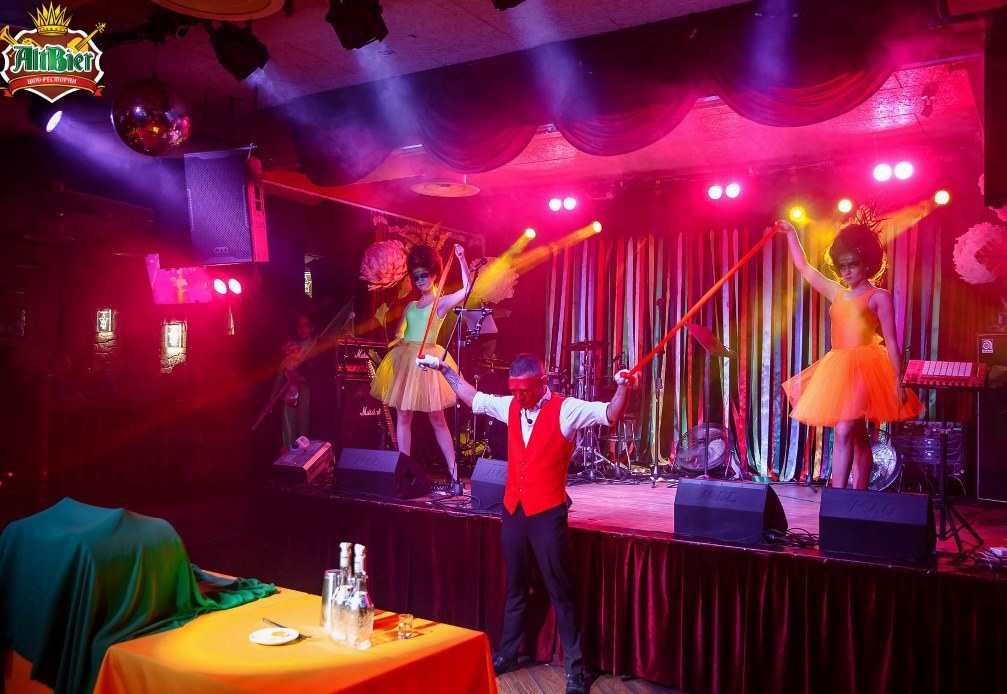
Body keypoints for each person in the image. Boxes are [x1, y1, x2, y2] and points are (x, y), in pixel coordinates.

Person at [416, 351, 638, 694]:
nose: (519, 397)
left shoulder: (566, 409)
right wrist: (444, 369)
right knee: (517, 585)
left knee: (560, 590)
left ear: (542, 382)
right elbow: (474, 398)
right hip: (514, 511)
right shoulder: (511, 405)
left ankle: (574, 670)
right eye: (514, 391)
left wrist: (624, 388)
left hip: (547, 513)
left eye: (525, 391)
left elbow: (610, 413)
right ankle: (508, 654)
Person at [777, 213, 924, 489]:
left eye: (853, 265)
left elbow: (892, 342)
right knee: (857, 436)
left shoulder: (879, 297)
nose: (847, 272)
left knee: (844, 428)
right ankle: (859, 494)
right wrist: (792, 233)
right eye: (842, 266)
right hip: (837, 367)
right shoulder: (837, 292)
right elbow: (804, 267)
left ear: (866, 263)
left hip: (865, 367)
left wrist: (899, 379)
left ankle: (838, 495)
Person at [370, 244, 470, 485]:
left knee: (437, 419)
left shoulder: (440, 303)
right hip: (406, 360)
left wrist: (461, 259)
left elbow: (467, 289)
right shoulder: (411, 306)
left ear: (434, 274)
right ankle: (404, 471)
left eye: (424, 274)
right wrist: (400, 338)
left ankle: (454, 472)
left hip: (428, 361)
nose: (420, 280)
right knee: (403, 416)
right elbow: (400, 331)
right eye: (416, 277)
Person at [277, 313, 317, 450]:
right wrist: (271, 399)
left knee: (304, 434)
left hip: (307, 393)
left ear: (312, 327)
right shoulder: (290, 347)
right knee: (288, 434)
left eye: (305, 325)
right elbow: (280, 374)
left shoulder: (316, 347)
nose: (302, 328)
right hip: (290, 394)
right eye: (299, 325)